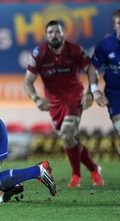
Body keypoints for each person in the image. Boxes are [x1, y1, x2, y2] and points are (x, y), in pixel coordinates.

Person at [23, 20, 104, 188]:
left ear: (64, 34)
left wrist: (90, 92)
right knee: (71, 139)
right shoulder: (39, 54)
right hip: (54, 103)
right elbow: (27, 83)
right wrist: (37, 99)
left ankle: (76, 176)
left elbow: (91, 69)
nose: (54, 35)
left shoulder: (75, 50)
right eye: (51, 32)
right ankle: (94, 169)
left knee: (68, 135)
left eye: (58, 31)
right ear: (46, 35)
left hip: (74, 97)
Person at [88, 10, 120, 144]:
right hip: (115, 94)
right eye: (119, 23)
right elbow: (92, 68)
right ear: (114, 25)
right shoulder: (105, 46)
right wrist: (95, 91)